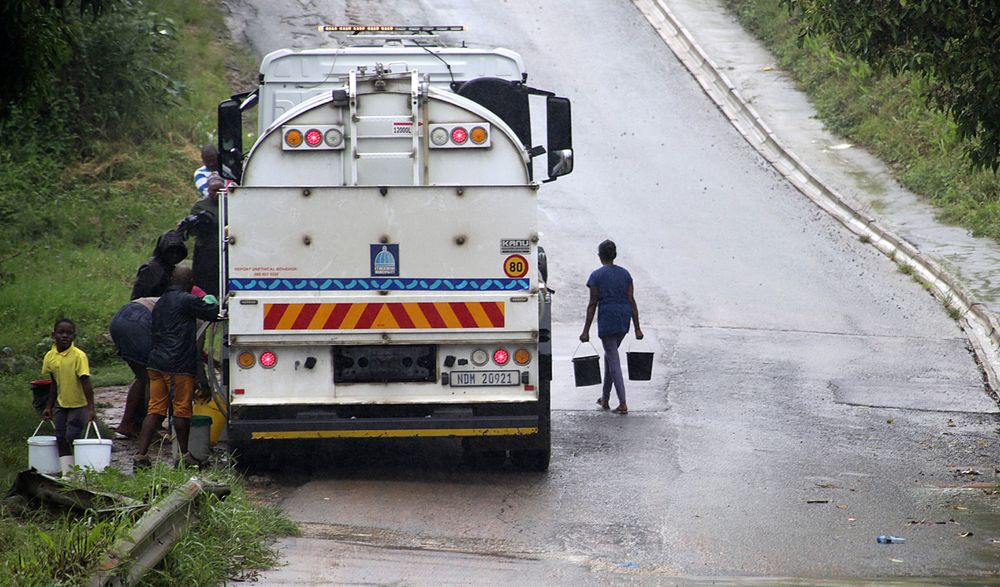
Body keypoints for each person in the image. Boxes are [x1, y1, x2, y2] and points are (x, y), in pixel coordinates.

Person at [134, 267, 221, 469]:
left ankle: (140, 456)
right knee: (181, 411)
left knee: (155, 410)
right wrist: (211, 301)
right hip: (178, 366)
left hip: (156, 364)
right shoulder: (187, 300)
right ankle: (184, 457)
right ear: (191, 281)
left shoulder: (161, 302)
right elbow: (213, 314)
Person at [580, 240, 643, 415]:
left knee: (613, 360)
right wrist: (637, 327)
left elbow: (592, 304)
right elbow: (631, 300)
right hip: (623, 320)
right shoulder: (625, 274)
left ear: (600, 256)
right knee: (610, 356)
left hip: (607, 319)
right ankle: (605, 399)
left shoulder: (596, 276)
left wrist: (585, 330)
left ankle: (623, 403)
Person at [40, 318, 95, 475]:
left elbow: (85, 382)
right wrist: (49, 406)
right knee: (60, 437)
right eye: (61, 332)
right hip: (61, 404)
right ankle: (68, 473)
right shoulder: (50, 356)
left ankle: (82, 469)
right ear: (53, 335)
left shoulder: (79, 356)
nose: (65, 336)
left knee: (71, 436)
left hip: (79, 404)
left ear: (74, 336)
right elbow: (53, 384)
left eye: (69, 333)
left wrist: (91, 407)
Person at [185, 175, 222, 297]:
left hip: (225, 251)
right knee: (205, 284)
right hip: (205, 252)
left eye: (220, 189)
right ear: (208, 190)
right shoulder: (200, 206)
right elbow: (192, 230)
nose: (217, 193)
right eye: (214, 190)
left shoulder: (229, 204)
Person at [130, 229, 187, 300]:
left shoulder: (173, 270)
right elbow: (138, 297)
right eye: (171, 252)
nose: (175, 256)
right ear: (163, 250)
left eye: (178, 252)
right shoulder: (150, 269)